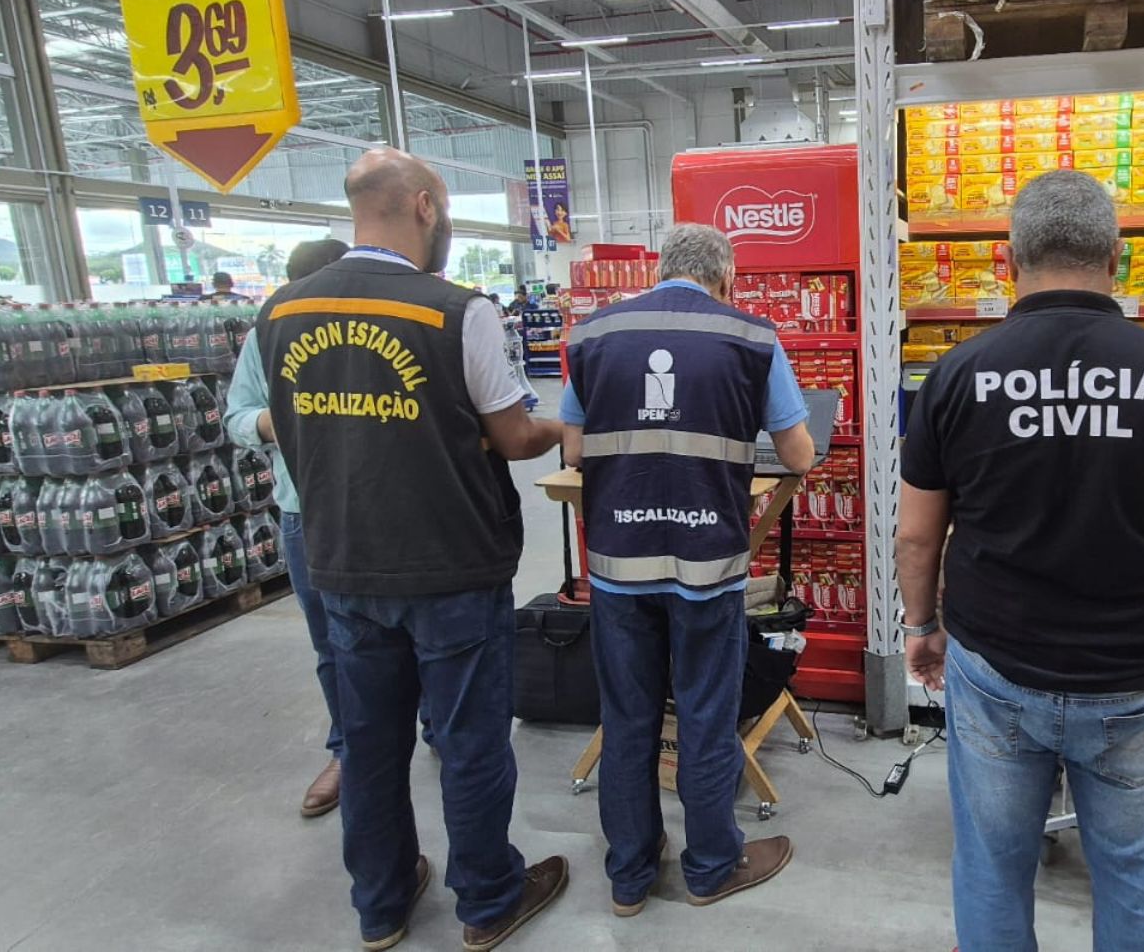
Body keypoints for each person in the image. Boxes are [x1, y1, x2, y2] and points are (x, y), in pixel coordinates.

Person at [896, 170, 1144, 952]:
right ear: (1118, 259)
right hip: (1133, 676)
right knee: (1133, 878)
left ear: (1007, 260)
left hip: (995, 670)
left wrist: (921, 625)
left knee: (993, 869)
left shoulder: (957, 374)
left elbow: (917, 536)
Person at [257, 148, 568, 952]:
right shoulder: (453, 310)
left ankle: (381, 904)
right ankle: (489, 900)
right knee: (467, 741)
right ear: (426, 206)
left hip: (342, 565)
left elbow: (293, 434)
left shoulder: (281, 313)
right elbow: (513, 436)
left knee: (368, 743)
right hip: (451, 565)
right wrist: (573, 426)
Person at [557, 222, 814, 918]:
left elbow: (575, 452)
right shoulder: (753, 337)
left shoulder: (591, 336)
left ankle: (630, 877)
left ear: (658, 270)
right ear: (725, 278)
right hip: (708, 564)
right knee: (704, 713)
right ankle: (709, 866)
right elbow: (798, 455)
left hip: (618, 565)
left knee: (628, 715)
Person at [226, 238, 438, 821]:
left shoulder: (393, 327)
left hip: (396, 504)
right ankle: (348, 749)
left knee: (427, 634)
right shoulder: (268, 334)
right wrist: (297, 413)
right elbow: (238, 417)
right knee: (335, 645)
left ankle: (437, 725)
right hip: (310, 513)